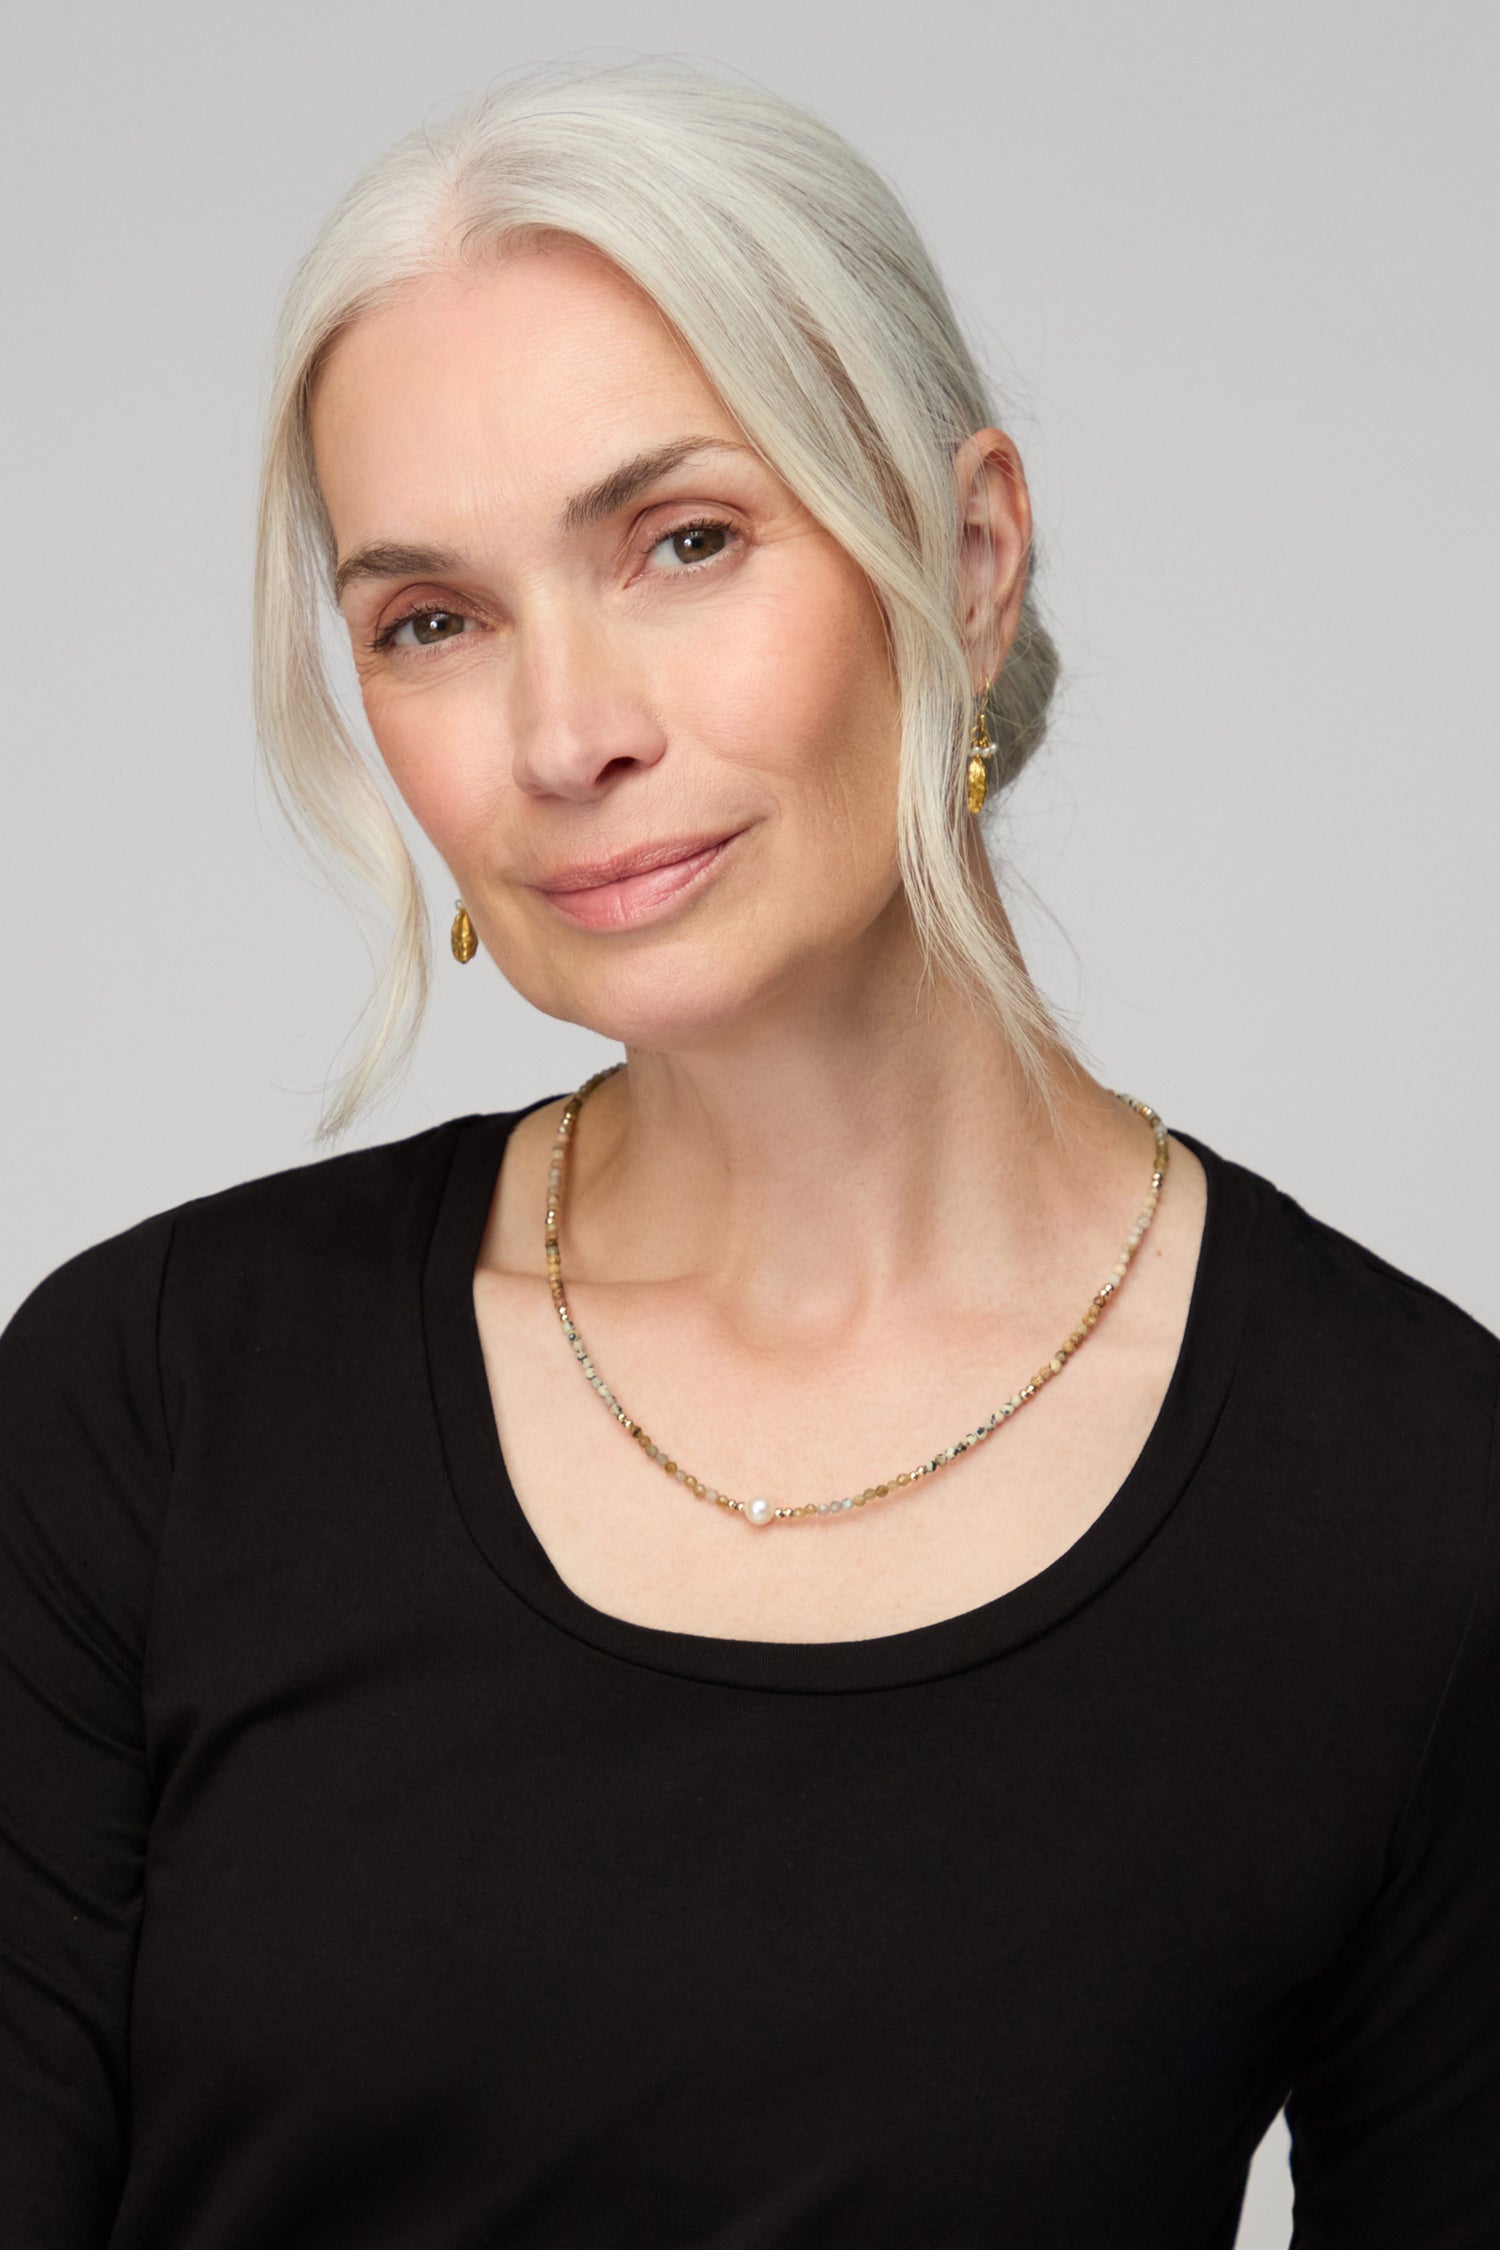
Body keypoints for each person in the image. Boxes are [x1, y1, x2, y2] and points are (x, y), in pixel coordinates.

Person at [1, 57, 1495, 2250]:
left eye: (682, 542)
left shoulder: (1412, 1507)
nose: (564, 735)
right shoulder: (159, 1396)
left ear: (967, 560)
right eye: (435, 619)